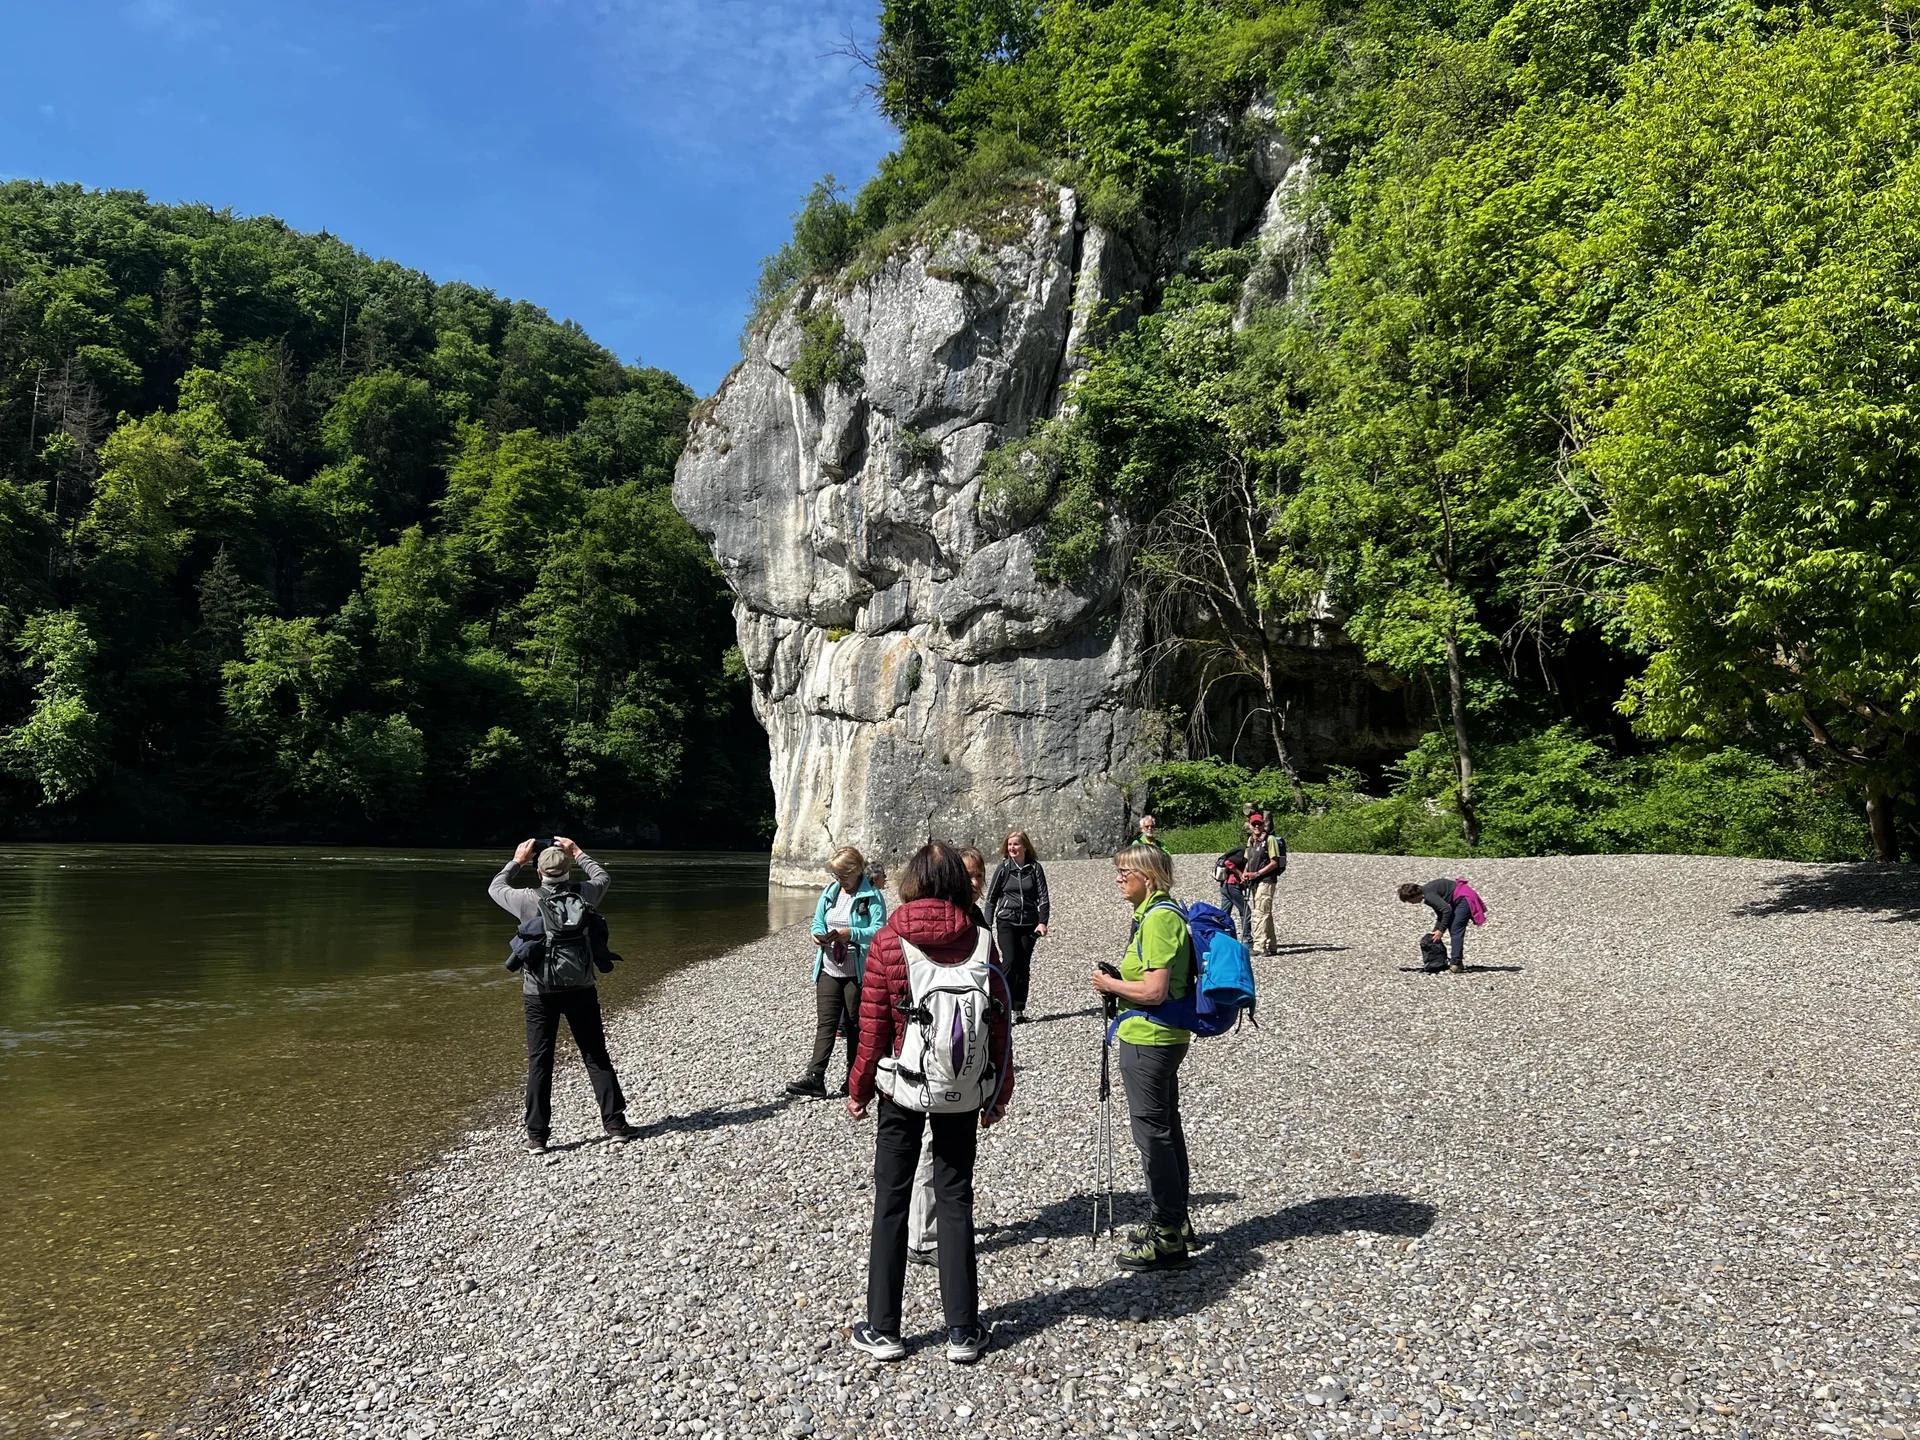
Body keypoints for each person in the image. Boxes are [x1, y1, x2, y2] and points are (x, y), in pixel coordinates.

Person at [848, 842, 1013, 1365]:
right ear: (958, 883)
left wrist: (857, 1090)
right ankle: (963, 1332)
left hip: (901, 1087)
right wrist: (999, 1091)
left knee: (892, 1200)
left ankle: (884, 1330)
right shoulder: (983, 939)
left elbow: (870, 1032)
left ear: (912, 881)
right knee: (956, 1198)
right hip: (963, 1089)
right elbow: (999, 1026)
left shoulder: (888, 940)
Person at [488, 837, 638, 1153]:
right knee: (595, 1055)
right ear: (568, 870)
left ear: (539, 873)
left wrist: (516, 860)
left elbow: (495, 886)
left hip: (539, 993)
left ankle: (537, 1137)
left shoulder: (526, 899)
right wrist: (579, 851)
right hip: (582, 988)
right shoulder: (585, 893)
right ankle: (616, 1125)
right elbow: (603, 877)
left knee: (540, 1061)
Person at [1090, 842, 1194, 1272]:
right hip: (1159, 1036)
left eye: (1124, 871)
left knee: (1153, 1133)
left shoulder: (1159, 919)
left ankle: (1167, 1231)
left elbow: (1154, 991)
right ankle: (1176, 1220)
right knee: (1165, 1126)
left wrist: (1110, 985)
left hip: (1150, 1038)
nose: (1118, 877)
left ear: (1146, 878)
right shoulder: (1156, 915)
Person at [905, 846, 992, 1269]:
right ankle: (925, 1235)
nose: (975, 883)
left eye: (979, 876)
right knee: (932, 1147)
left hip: (964, 1055)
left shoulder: (976, 924)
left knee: (949, 1154)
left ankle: (938, 1229)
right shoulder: (956, 927)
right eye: (969, 876)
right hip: (935, 1055)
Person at [788, 847, 887, 1099]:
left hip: (856, 971)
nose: (839, 880)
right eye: (836, 876)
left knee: (855, 1025)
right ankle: (815, 1077)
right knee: (826, 1024)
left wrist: (851, 933)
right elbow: (818, 921)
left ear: (855, 872)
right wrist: (817, 935)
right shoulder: (831, 892)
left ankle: (852, 1080)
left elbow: (879, 931)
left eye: (842, 876)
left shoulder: (872, 896)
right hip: (829, 967)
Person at [983, 831, 1049, 1025]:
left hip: (1029, 922)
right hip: (1007, 921)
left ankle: (1018, 1009)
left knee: (1023, 966)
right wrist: (988, 922)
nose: (1012, 848)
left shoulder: (1035, 869)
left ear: (1025, 847)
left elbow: (1044, 898)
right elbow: (992, 897)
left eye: (1016, 844)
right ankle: (995, 1000)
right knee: (1010, 961)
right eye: (1010, 844)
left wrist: (1043, 921)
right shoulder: (1003, 868)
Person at [1400, 878, 1470, 972]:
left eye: (1409, 900)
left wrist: (1441, 931)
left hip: (1464, 898)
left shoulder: (1429, 896)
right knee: (1451, 926)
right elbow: (1441, 914)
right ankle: (1456, 961)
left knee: (1455, 929)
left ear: (1414, 896)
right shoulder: (1427, 894)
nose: (1411, 903)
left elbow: (1447, 910)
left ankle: (1456, 963)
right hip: (1459, 898)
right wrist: (1436, 930)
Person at [1243, 813, 1287, 956]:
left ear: (1263, 825)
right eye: (1254, 824)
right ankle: (1271, 945)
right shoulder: (1251, 841)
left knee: (1260, 913)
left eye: (1259, 824)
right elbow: (1248, 861)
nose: (1257, 826)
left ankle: (1259, 946)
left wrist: (1257, 874)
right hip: (1255, 880)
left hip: (1266, 880)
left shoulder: (1270, 840)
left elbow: (1274, 862)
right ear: (1250, 826)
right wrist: (1245, 873)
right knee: (1265, 912)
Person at [1216, 842, 1251, 943]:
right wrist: (1240, 874)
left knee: (1224, 913)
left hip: (1224, 886)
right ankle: (1247, 939)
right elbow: (1228, 863)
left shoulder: (1238, 851)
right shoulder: (1244, 853)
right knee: (1245, 911)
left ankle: (1220, 937)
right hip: (1232, 885)